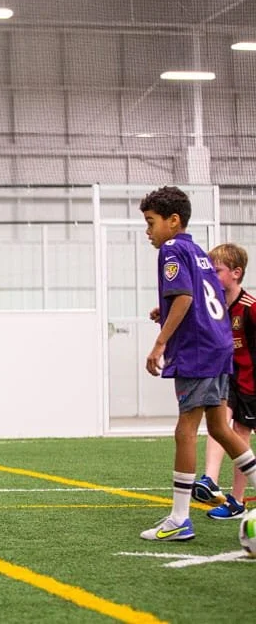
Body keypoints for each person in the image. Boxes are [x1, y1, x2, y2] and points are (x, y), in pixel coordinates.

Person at [139, 186, 256, 541]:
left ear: (173, 221)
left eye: (151, 222)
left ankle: (179, 519)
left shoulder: (173, 248)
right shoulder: (199, 253)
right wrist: (168, 309)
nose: (148, 231)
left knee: (185, 430)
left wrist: (160, 343)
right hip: (219, 348)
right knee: (220, 428)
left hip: (198, 352)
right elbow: (208, 297)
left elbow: (187, 297)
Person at [188, 243, 256, 519]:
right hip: (224, 377)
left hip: (250, 383)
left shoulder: (250, 308)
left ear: (236, 273)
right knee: (218, 425)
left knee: (240, 435)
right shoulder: (211, 305)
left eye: (217, 271)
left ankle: (237, 500)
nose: (211, 277)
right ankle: (209, 479)